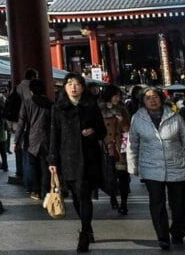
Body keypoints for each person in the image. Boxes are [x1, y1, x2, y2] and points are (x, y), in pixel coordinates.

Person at [127, 86, 185, 250]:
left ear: (161, 98)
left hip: (176, 165)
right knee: (157, 204)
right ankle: (162, 237)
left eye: (155, 97)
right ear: (143, 101)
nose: (152, 100)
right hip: (151, 167)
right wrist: (132, 166)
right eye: (148, 98)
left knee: (179, 205)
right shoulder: (137, 118)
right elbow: (133, 144)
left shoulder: (174, 117)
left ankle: (178, 232)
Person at [48, 72, 107, 253]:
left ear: (83, 87)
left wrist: (93, 131)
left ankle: (83, 234)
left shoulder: (91, 107)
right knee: (75, 196)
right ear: (64, 87)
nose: (73, 87)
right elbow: (54, 135)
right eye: (69, 84)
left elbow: (102, 131)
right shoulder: (58, 108)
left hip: (89, 157)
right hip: (68, 157)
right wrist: (52, 159)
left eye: (77, 84)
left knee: (84, 195)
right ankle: (87, 227)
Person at [13, 78, 52, 200]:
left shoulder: (27, 103)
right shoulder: (50, 103)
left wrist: (16, 140)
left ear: (31, 91)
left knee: (33, 166)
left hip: (32, 140)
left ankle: (36, 191)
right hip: (47, 138)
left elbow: (21, 122)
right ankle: (46, 190)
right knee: (46, 165)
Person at [99, 85, 131, 214]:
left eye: (119, 96)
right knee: (109, 176)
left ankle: (124, 202)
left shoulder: (122, 109)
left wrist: (122, 121)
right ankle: (113, 197)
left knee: (123, 176)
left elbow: (128, 128)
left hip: (121, 147)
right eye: (115, 95)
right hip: (106, 147)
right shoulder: (99, 109)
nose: (118, 98)